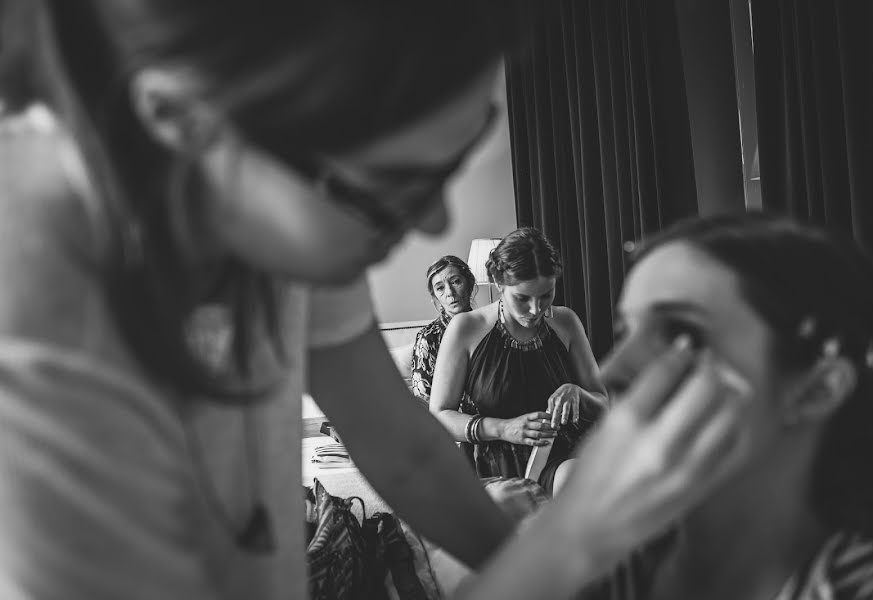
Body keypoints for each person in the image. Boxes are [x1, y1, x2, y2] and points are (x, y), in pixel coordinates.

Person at [0, 2, 751, 599]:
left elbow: (409, 452)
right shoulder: (36, 335)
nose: (435, 226)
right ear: (182, 121)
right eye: (394, 187)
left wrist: (523, 554)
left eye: (455, 163)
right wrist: (569, 544)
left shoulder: (261, 209)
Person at [585, 212, 873, 599]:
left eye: (681, 335)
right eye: (625, 332)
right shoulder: (593, 570)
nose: (609, 371)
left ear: (818, 389)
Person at [430, 228, 609, 493]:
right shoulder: (465, 328)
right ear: (499, 283)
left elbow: (604, 404)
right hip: (494, 464)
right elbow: (440, 416)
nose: (536, 310)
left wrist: (579, 394)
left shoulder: (566, 322)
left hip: (560, 458)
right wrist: (504, 429)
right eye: (522, 298)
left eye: (546, 295)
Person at [410, 255, 476, 404]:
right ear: (435, 296)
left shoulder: (489, 327)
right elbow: (423, 399)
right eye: (440, 288)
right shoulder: (428, 338)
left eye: (456, 282)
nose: (450, 293)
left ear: (470, 283)